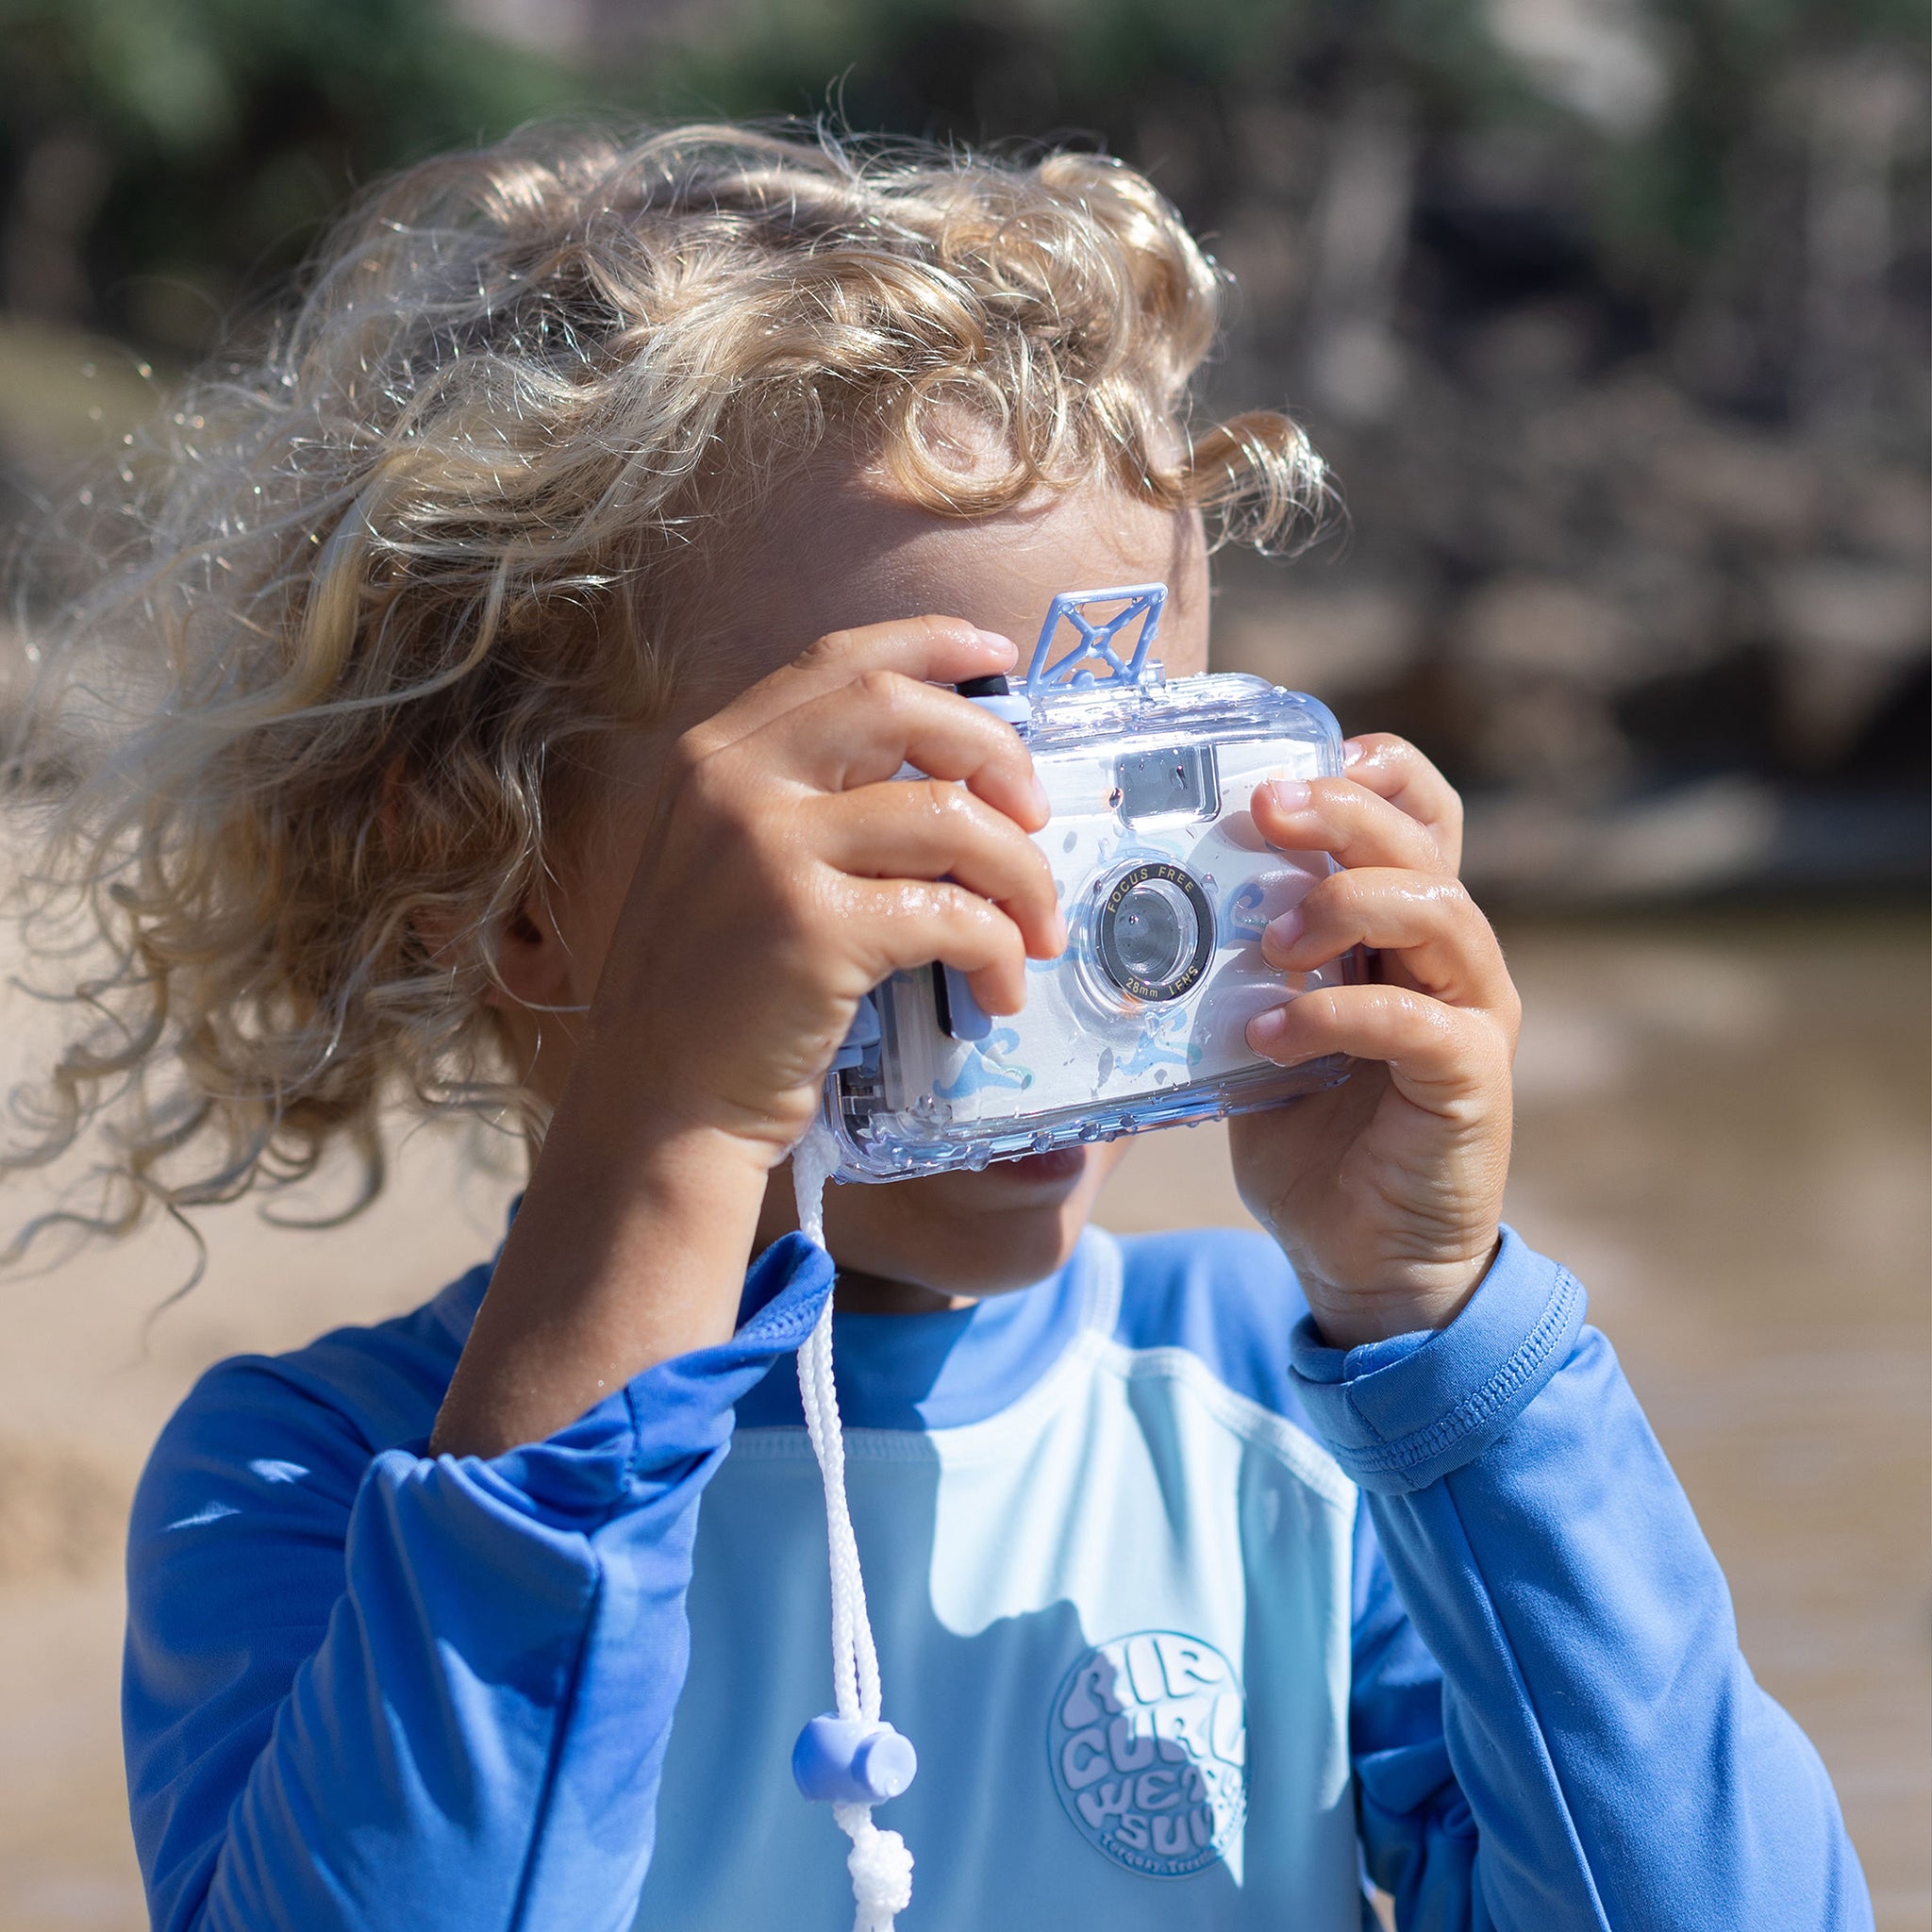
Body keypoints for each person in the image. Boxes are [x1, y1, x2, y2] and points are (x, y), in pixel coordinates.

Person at [10, 125, 1868, 1930]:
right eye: (907, 794)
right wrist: (669, 1143)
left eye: (1118, 785)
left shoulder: (1285, 1413)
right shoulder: (315, 1484)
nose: (1036, 923)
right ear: (499, 879)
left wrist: (1447, 1338)